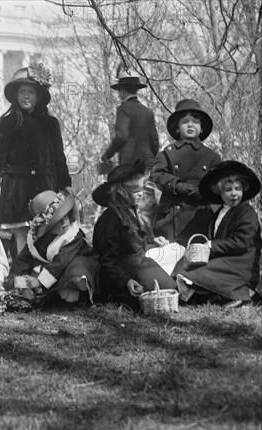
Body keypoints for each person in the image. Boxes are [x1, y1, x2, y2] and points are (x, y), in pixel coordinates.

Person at [0, 63, 72, 258]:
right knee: (22, 239)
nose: (26, 96)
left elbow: (59, 157)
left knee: (46, 231)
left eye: (30, 92)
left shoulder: (50, 124)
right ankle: (22, 282)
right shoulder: (7, 123)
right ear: (15, 95)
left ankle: (43, 280)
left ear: (38, 96)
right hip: (17, 190)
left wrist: (66, 184)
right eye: (22, 91)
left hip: (45, 187)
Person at [174, 161, 261, 308]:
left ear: (243, 189)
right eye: (228, 189)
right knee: (186, 267)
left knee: (200, 272)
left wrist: (211, 245)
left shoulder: (247, 213)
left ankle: (246, 295)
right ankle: (208, 297)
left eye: (238, 189)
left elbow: (241, 242)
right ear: (219, 192)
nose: (234, 193)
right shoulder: (220, 213)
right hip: (225, 260)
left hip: (242, 263)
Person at [92, 160, 176, 310]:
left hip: (139, 263)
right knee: (163, 289)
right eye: (136, 191)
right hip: (119, 277)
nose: (141, 194)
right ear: (122, 192)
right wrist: (127, 281)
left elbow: (133, 243)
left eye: (142, 190)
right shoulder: (109, 220)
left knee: (171, 285)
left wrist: (153, 243)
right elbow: (107, 260)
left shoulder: (130, 211)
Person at [11, 190, 99, 309]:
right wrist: (24, 286)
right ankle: (47, 294)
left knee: (78, 272)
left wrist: (40, 282)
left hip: (75, 262)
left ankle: (82, 297)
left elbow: (61, 262)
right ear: (46, 227)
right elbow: (24, 259)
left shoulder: (73, 235)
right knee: (35, 269)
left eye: (65, 216)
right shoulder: (36, 239)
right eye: (57, 221)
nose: (64, 222)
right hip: (53, 267)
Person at [151, 99, 222, 245]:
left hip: (201, 215)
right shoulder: (166, 154)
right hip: (171, 217)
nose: (190, 125)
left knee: (200, 255)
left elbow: (219, 183)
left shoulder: (212, 157)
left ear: (202, 128)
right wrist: (177, 186)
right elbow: (157, 175)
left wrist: (204, 191)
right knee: (171, 259)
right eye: (185, 122)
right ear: (177, 128)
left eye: (195, 121)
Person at [101, 70, 160, 171]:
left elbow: (122, 137)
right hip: (148, 164)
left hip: (129, 165)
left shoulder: (123, 109)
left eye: (118, 91)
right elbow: (155, 143)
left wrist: (106, 156)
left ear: (123, 91)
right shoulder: (148, 112)